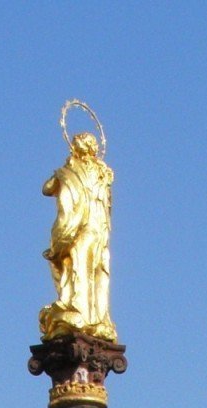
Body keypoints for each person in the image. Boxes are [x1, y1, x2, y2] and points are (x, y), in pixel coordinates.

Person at [40, 131, 117, 342]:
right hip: (92, 228)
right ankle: (88, 313)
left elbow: (47, 188)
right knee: (88, 267)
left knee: (86, 267)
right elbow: (47, 189)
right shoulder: (100, 173)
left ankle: (84, 311)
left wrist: (62, 173)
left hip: (87, 229)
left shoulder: (81, 172)